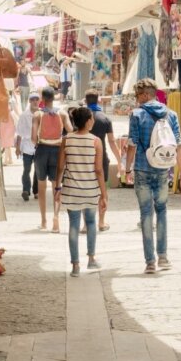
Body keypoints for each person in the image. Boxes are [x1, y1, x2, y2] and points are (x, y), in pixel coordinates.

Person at [124, 78, 181, 274]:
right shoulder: (171, 114)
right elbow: (178, 148)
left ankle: (150, 262)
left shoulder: (136, 114)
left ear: (144, 95)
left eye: (137, 96)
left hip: (143, 169)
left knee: (145, 214)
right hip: (162, 169)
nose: (137, 100)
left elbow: (132, 145)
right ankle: (163, 257)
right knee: (162, 211)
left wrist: (127, 170)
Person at [54, 107, 108, 277]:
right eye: (91, 118)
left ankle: (75, 265)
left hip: (71, 190)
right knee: (91, 222)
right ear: (87, 121)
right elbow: (99, 170)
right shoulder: (95, 141)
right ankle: (91, 259)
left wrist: (57, 187)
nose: (93, 121)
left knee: (73, 225)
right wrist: (104, 194)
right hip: (90, 190)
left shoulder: (66, 139)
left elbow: (60, 166)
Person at [31, 87, 71, 232]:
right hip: (57, 150)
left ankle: (43, 221)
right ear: (54, 97)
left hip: (42, 150)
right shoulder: (62, 113)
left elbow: (33, 138)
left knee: (41, 187)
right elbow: (71, 131)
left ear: (43, 98)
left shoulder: (37, 115)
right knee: (57, 186)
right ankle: (56, 217)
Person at [84, 89, 121, 231]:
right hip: (101, 159)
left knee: (85, 190)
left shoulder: (81, 117)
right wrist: (119, 161)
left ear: (86, 101)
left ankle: (86, 224)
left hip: (84, 158)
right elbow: (111, 141)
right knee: (102, 190)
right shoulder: (105, 118)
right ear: (98, 100)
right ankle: (101, 221)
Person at [15, 92, 41, 201]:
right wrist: (17, 147)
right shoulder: (24, 115)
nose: (35, 101)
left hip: (39, 146)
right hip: (26, 146)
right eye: (33, 99)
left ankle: (36, 191)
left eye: (37, 99)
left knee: (38, 170)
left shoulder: (42, 114)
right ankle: (26, 190)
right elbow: (19, 132)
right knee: (26, 169)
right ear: (29, 101)